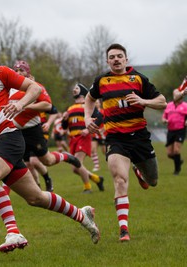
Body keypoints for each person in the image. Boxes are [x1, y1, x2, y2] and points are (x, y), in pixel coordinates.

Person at [0, 39, 100, 253]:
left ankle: (13, 232)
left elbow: (33, 87)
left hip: (8, 138)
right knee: (36, 197)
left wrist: (21, 104)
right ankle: (82, 215)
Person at [84, 43, 167, 242]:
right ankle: (124, 230)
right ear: (107, 61)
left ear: (126, 59)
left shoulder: (138, 79)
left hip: (140, 138)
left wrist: (144, 101)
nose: (116, 59)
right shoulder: (102, 80)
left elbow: (162, 101)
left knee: (153, 181)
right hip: (115, 139)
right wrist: (87, 117)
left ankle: (138, 170)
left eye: (119, 56)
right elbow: (89, 98)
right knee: (120, 180)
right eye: (112, 57)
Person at [11, 60, 81, 192]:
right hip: (15, 132)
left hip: (32, 130)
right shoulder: (9, 88)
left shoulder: (35, 86)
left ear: (28, 72)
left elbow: (48, 106)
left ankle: (65, 156)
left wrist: (25, 105)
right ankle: (27, 190)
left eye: (22, 70)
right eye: (16, 70)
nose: (18, 73)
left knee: (47, 161)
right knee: (16, 162)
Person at [62, 83, 105, 193]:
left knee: (77, 164)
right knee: (75, 168)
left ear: (82, 90)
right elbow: (65, 127)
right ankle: (97, 179)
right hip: (73, 139)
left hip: (83, 138)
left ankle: (87, 187)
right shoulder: (70, 108)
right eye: (74, 88)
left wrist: (88, 129)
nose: (74, 90)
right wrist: (64, 119)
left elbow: (100, 117)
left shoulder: (87, 105)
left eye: (76, 88)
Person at [162, 88, 187, 175]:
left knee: (176, 150)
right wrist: (164, 120)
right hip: (170, 130)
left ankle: (177, 170)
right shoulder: (169, 105)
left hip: (180, 130)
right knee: (169, 154)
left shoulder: (185, 106)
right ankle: (179, 161)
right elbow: (163, 117)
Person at [91, 100, 106, 172]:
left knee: (104, 151)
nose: (96, 104)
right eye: (94, 102)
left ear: (100, 104)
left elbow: (107, 122)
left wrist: (103, 129)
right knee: (93, 150)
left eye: (97, 102)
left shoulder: (103, 111)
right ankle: (96, 166)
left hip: (102, 134)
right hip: (95, 134)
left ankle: (112, 162)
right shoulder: (91, 113)